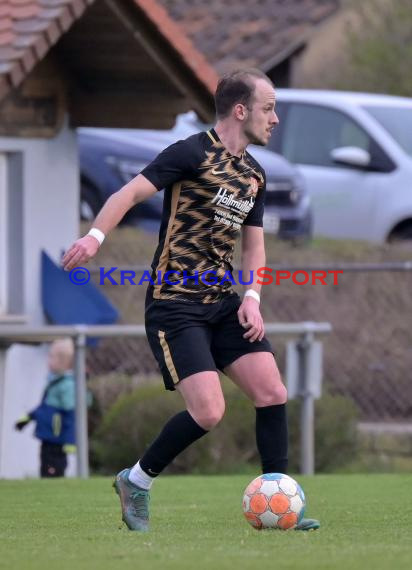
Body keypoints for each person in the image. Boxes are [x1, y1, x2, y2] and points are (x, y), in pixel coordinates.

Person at [62, 68, 320, 531]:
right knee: (209, 411)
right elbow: (128, 191)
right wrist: (95, 237)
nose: (275, 119)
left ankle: (280, 504)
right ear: (240, 111)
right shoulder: (190, 153)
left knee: (272, 392)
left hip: (223, 302)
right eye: (268, 108)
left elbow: (254, 246)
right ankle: (136, 481)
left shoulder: (254, 175)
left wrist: (253, 297)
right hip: (174, 304)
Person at [15, 338, 76, 477]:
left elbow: (71, 416)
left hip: (56, 438)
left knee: (55, 468)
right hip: (47, 437)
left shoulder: (67, 385)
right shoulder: (54, 381)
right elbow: (44, 408)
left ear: (63, 361)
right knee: (45, 466)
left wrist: (70, 440)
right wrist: (27, 418)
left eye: (51, 357)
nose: (48, 360)